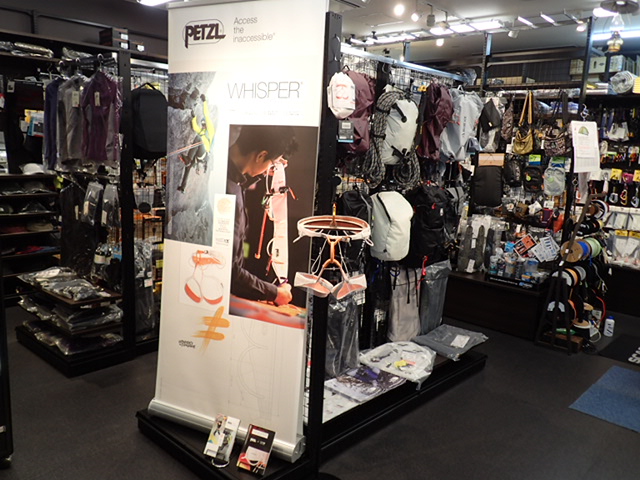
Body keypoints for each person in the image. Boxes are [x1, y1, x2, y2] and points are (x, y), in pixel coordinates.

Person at [226, 125, 296, 306]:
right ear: (261, 155)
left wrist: (263, 170)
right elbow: (229, 272)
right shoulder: (229, 194)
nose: (270, 168)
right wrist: (275, 293)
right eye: (271, 162)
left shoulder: (226, 176)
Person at [178, 94, 215, 192]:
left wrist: (204, 102)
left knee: (198, 138)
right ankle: (182, 187)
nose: (203, 126)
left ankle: (188, 159)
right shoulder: (202, 131)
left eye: (204, 124)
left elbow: (206, 115)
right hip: (199, 156)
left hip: (204, 153)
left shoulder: (210, 131)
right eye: (202, 124)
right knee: (188, 167)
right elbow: (195, 127)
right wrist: (193, 118)